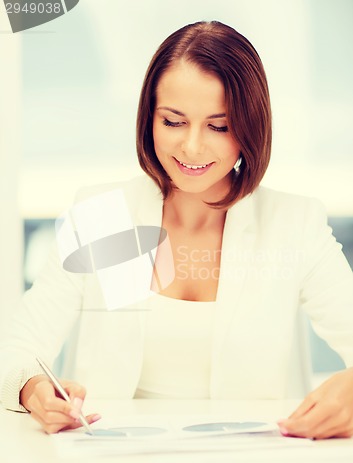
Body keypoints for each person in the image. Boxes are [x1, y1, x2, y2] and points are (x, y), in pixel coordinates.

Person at [1, 20, 353, 438]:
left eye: (218, 126)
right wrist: (33, 389)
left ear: (249, 127)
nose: (191, 147)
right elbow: (17, 350)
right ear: (149, 119)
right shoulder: (101, 216)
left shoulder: (293, 224)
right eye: (173, 121)